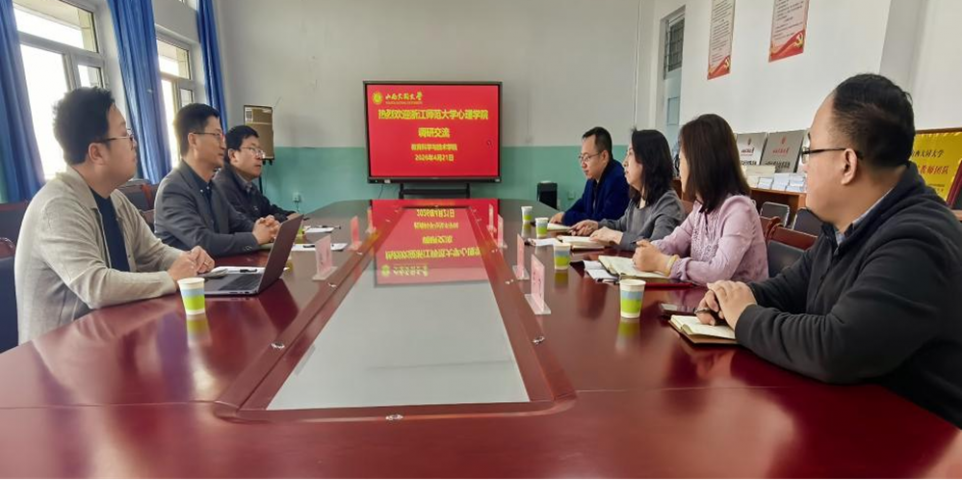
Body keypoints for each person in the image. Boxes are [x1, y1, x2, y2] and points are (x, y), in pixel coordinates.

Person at [696, 74, 962, 428]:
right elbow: (789, 289)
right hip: (844, 417)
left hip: (915, 439)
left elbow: (837, 347)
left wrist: (744, 316)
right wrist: (731, 298)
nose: (804, 166)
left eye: (810, 151)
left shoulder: (919, 239)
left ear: (847, 164)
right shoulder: (843, 227)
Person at [15, 87, 214, 343]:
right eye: (125, 135)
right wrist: (170, 278)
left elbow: (153, 252)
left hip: (110, 337)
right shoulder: (57, 207)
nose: (134, 143)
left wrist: (189, 260)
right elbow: (96, 286)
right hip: (59, 355)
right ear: (96, 153)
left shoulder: (115, 198)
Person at [632, 114, 768, 285]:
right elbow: (674, 242)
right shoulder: (702, 207)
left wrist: (663, 262)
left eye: (680, 159)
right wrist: (651, 249)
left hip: (739, 302)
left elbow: (717, 273)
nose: (678, 168)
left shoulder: (739, 210)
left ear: (699, 163)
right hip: (705, 297)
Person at [154, 104, 280, 257]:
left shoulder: (212, 185)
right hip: (193, 272)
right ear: (193, 140)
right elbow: (203, 242)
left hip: (220, 267)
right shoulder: (173, 189)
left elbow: (238, 222)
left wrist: (264, 227)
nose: (223, 145)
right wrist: (255, 238)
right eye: (217, 135)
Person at [571, 129, 684, 250]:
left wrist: (615, 236)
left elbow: (657, 248)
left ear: (649, 160)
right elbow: (620, 225)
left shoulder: (668, 203)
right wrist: (596, 225)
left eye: (630, 154)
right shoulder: (637, 199)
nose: (624, 162)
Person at [549, 127, 629, 226]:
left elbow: (602, 221)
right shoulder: (592, 179)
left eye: (587, 158)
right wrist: (563, 216)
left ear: (604, 156)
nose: (583, 164)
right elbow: (582, 204)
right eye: (581, 158)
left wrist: (566, 218)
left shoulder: (618, 180)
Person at [213, 125, 293, 223]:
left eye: (259, 151)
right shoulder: (223, 186)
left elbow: (270, 210)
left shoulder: (249, 186)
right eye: (252, 149)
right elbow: (246, 226)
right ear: (233, 155)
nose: (259, 157)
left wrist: (291, 215)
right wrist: (285, 219)